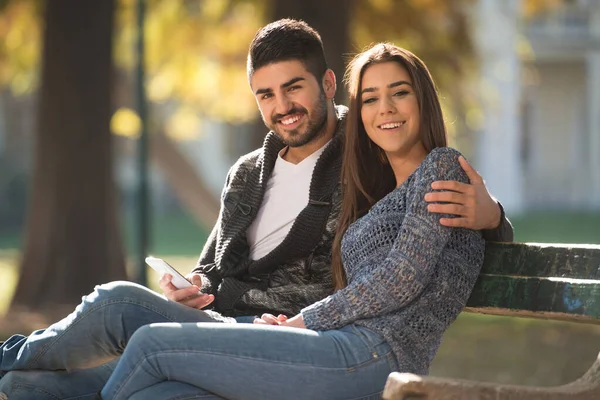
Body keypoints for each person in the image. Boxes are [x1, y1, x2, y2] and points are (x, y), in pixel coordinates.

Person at [0, 20, 510, 399]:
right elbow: (214, 262)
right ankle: (10, 360)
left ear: (329, 87)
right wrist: (195, 285)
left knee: (153, 366)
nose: (282, 104)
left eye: (294, 87)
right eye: (266, 94)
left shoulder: (364, 155)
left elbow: (420, 255)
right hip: (247, 328)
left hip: (317, 339)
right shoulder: (248, 171)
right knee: (80, 336)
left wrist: (493, 218)